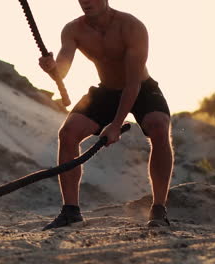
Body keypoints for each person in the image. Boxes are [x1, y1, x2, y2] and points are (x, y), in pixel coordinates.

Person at [39, 0, 173, 230]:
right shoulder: (73, 30)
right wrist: (52, 68)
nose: (85, 1)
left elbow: (132, 85)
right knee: (68, 133)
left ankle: (159, 208)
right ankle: (70, 211)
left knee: (159, 125)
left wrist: (115, 124)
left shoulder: (131, 27)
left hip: (141, 87)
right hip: (106, 90)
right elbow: (62, 69)